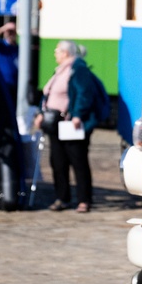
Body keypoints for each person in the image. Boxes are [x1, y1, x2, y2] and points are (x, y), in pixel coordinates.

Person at [35, 40, 98, 213]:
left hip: (71, 123)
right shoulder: (59, 71)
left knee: (78, 161)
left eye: (57, 51)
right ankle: (62, 198)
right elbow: (49, 94)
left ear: (65, 53)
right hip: (55, 123)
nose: (55, 53)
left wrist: (77, 115)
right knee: (58, 161)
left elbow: (84, 94)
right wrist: (41, 113)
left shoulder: (77, 69)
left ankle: (84, 200)